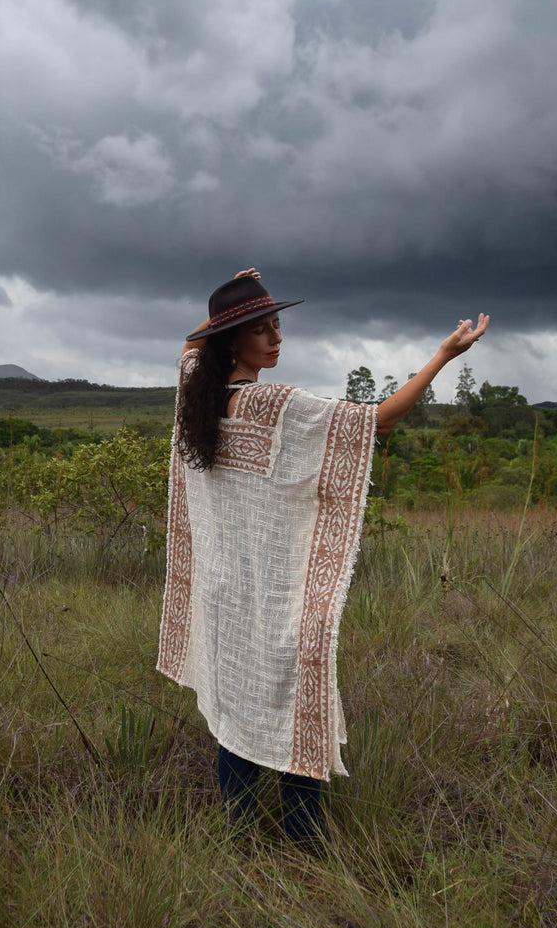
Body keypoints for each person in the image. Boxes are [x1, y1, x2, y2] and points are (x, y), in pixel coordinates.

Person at [157, 267, 488, 849]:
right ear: (232, 341)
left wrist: (233, 299)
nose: (276, 338)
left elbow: (189, 345)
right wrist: (444, 354)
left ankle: (239, 837)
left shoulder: (197, 390)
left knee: (239, 704)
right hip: (273, 597)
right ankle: (303, 846)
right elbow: (378, 419)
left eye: (276, 324)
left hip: (224, 592)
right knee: (291, 702)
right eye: (259, 329)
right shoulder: (272, 404)